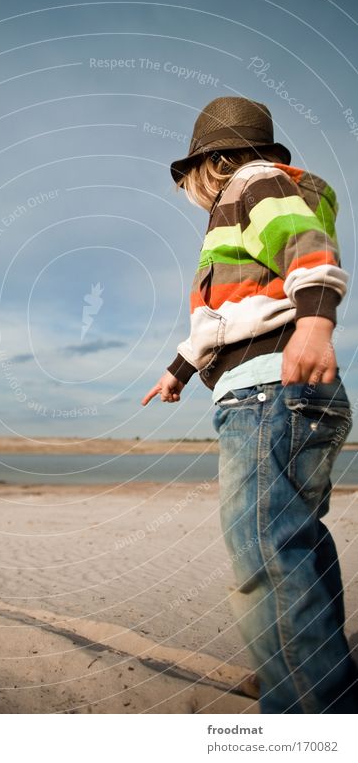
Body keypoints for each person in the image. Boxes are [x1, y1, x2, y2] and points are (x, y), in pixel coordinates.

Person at [141, 96, 358, 714]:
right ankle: (299, 681)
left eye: (193, 181)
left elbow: (307, 246)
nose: (197, 195)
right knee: (293, 545)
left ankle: (312, 717)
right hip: (276, 393)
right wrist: (179, 369)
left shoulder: (253, 182)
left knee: (266, 556)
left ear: (213, 163)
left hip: (269, 393)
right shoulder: (241, 214)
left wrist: (315, 323)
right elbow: (220, 321)